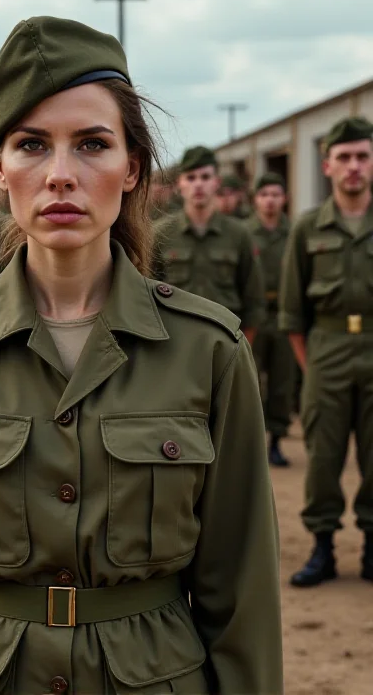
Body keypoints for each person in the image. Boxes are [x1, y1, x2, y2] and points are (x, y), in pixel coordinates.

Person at [0, 16, 282, 695]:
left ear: (133, 169)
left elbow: (241, 596)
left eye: (92, 143)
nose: (61, 175)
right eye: (32, 145)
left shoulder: (208, 349)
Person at [280, 116, 373, 587]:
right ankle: (322, 548)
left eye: (362, 156)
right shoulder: (307, 228)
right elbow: (293, 313)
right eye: (345, 157)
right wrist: (311, 368)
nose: (354, 166)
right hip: (327, 349)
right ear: (328, 165)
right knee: (323, 458)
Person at [153, 146, 265, 344]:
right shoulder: (160, 234)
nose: (198, 184)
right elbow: (146, 296)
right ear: (180, 184)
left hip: (226, 341)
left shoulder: (238, 234)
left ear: (216, 183)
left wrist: (242, 347)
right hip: (174, 342)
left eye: (205, 177)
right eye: (191, 177)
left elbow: (253, 300)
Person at [247, 172, 294, 467]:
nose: (270, 201)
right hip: (253, 316)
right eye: (265, 195)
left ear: (284, 199)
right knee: (249, 381)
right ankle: (249, 441)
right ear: (256, 200)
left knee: (282, 382)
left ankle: (276, 440)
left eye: (276, 195)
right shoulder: (243, 233)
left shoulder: (295, 232)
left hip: (284, 316)